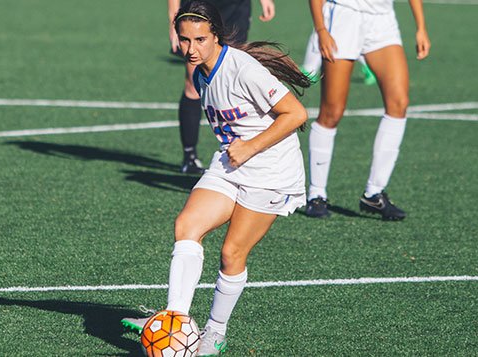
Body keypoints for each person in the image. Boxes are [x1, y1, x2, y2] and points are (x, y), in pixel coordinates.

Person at [123, 1, 311, 355]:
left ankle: (215, 333)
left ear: (216, 37)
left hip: (269, 170)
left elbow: (296, 114)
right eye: (184, 40)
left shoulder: (242, 69)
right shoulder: (199, 72)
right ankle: (174, 320)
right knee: (187, 226)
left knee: (231, 253)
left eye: (199, 40)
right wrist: (241, 151)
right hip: (231, 164)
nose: (190, 49)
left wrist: (252, 146)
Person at [304, 0, 430, 220]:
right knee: (332, 113)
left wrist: (421, 27)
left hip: (382, 20)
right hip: (344, 17)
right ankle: (316, 194)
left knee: (398, 104)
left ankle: (374, 193)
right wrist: (321, 29)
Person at [167, 0, 276, 174]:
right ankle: (189, 155)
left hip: (235, 6)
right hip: (198, 5)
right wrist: (174, 17)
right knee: (194, 81)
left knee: (233, 70)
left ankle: (241, 150)